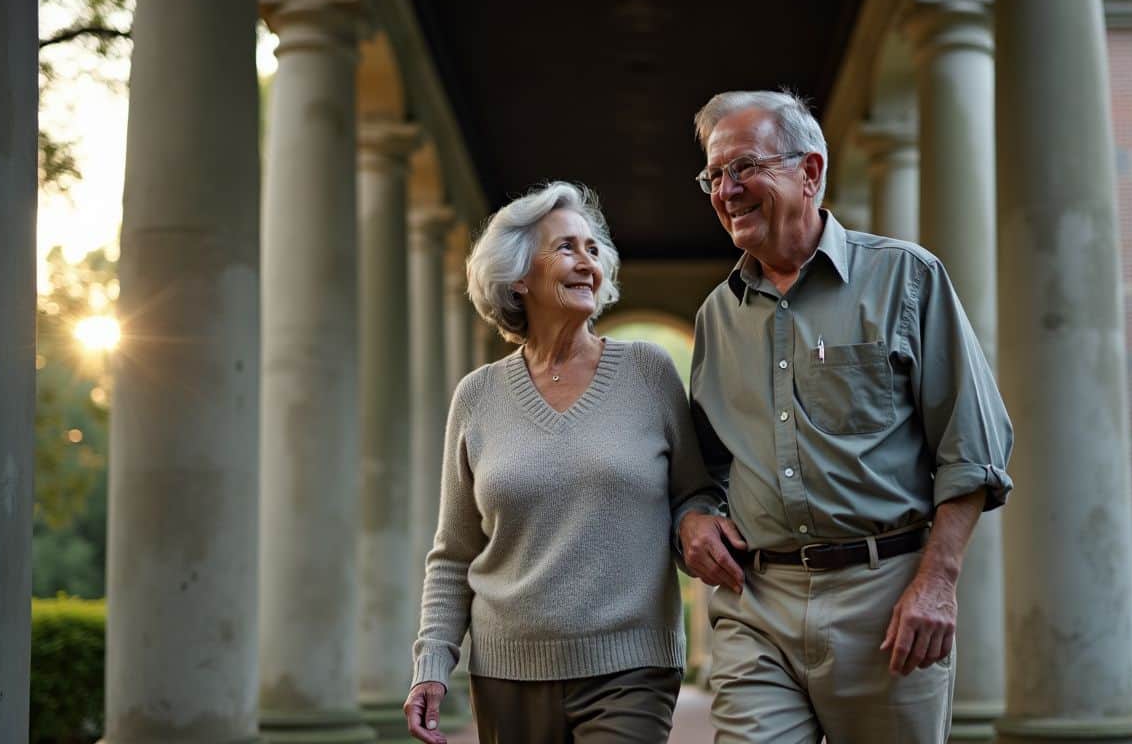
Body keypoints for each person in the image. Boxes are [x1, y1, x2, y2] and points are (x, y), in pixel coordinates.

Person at [676, 89, 1014, 743]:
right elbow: (706, 465)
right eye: (715, 175)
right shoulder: (716, 318)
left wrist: (937, 583)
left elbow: (972, 448)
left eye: (745, 167)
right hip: (757, 604)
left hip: (886, 601)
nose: (727, 190)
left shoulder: (906, 279)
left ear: (810, 172)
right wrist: (693, 515)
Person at [402, 180, 716, 744]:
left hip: (632, 666)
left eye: (594, 250)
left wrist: (697, 523)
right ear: (518, 276)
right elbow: (454, 553)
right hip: (507, 674)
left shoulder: (649, 374)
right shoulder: (476, 397)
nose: (587, 263)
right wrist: (431, 663)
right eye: (567, 248)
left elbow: (693, 493)